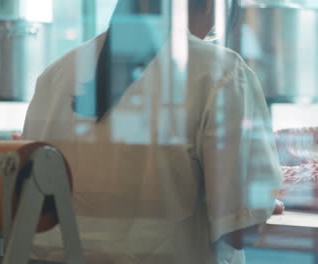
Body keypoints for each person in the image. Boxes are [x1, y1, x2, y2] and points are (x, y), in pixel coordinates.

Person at [23, 0, 283, 263]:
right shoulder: (222, 72)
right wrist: (258, 205)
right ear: (209, 6)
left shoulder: (54, 76)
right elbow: (239, 233)